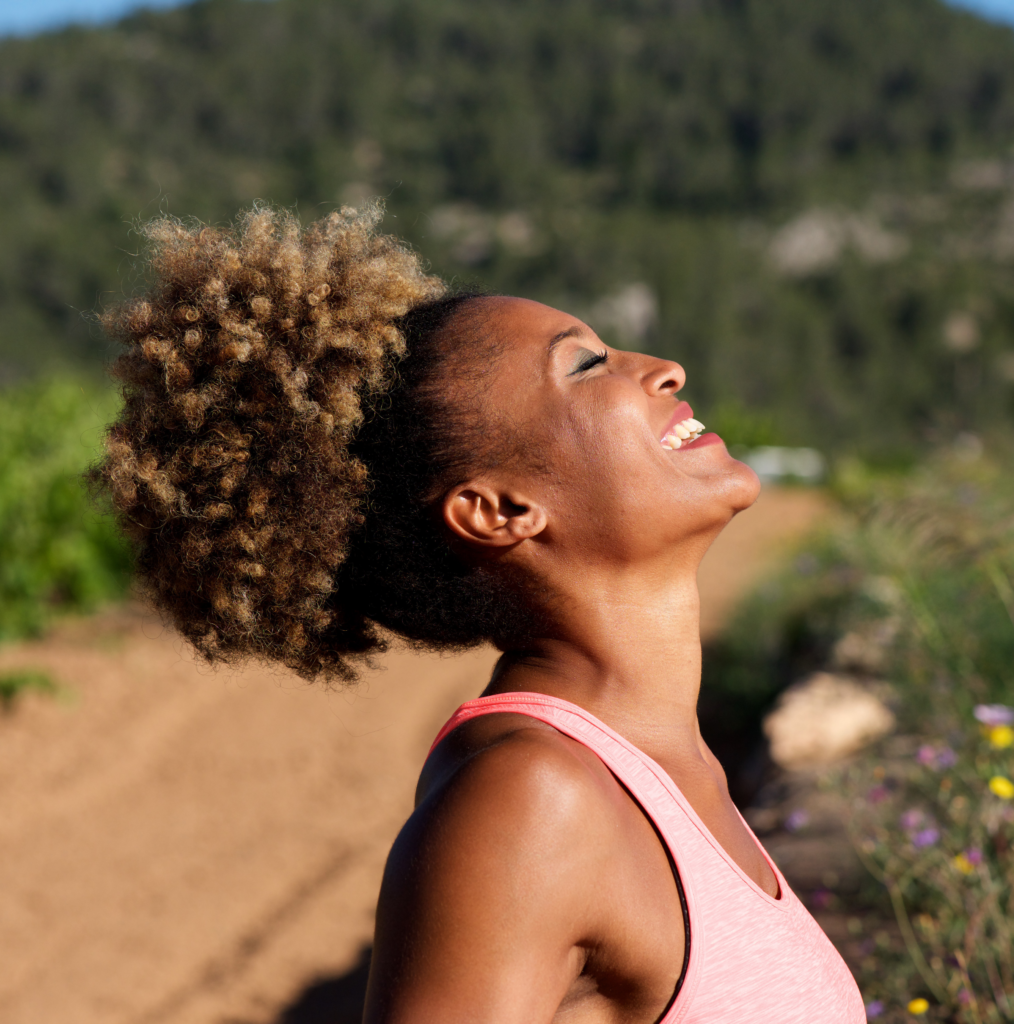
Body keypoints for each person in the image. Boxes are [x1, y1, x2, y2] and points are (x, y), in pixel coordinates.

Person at [95, 204, 865, 1024]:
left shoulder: (672, 769)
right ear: (499, 510)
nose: (665, 368)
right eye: (585, 366)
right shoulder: (532, 802)